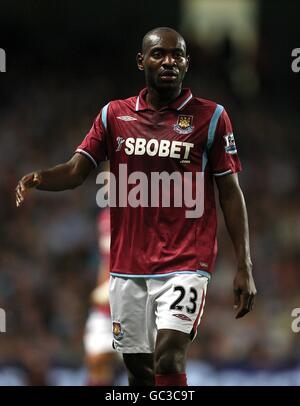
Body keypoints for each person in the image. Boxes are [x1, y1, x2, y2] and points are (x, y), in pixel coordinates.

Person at [16, 27, 257, 386]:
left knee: (170, 354)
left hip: (186, 262)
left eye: (177, 55)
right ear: (141, 61)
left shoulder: (211, 118)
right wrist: (40, 177)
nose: (169, 61)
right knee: (138, 371)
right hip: (128, 268)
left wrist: (244, 265)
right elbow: (75, 172)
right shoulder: (114, 115)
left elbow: (230, 193)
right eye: (159, 54)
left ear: (187, 63)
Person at [83, 207, 120, 386]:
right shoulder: (107, 216)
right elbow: (107, 260)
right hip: (105, 311)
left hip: (135, 307)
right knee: (96, 364)